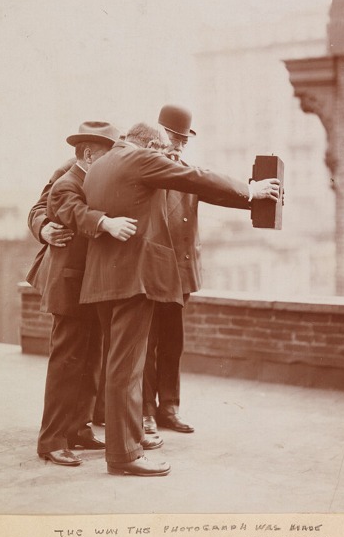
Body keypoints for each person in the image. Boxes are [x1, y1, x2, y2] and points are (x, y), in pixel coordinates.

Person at [80, 121, 280, 477]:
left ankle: (125, 445)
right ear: (149, 145)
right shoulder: (140, 158)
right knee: (127, 369)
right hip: (134, 278)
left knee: (118, 366)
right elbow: (194, 176)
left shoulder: (100, 166)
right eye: (161, 151)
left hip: (103, 278)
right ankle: (125, 455)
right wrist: (250, 191)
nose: (165, 156)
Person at [29, 121, 139, 466]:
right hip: (69, 285)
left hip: (90, 284)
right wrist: (103, 223)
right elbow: (66, 210)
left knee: (90, 361)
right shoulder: (68, 181)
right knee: (67, 363)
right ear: (89, 154)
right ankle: (52, 440)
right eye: (108, 155)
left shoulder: (92, 178)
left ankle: (78, 428)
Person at [142, 105, 201, 435]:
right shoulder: (145, 170)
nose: (178, 146)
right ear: (158, 137)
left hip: (179, 274)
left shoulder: (188, 174)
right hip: (150, 273)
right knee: (146, 344)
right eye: (173, 138)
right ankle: (146, 411)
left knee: (172, 343)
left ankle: (169, 408)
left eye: (183, 140)